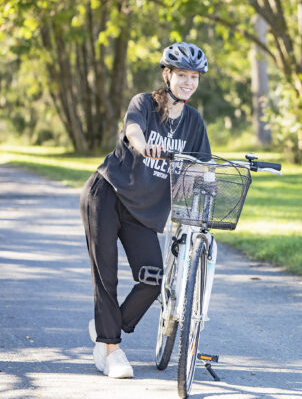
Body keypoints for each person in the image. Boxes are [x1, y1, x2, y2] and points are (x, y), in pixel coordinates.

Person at [80, 42, 212, 378]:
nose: (188, 82)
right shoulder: (144, 104)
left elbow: (199, 169)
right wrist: (145, 146)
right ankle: (110, 352)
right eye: (181, 74)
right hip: (107, 194)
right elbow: (133, 130)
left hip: (142, 212)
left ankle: (106, 329)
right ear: (167, 75)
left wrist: (206, 185)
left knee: (153, 279)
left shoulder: (195, 123)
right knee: (105, 275)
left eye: (194, 76)